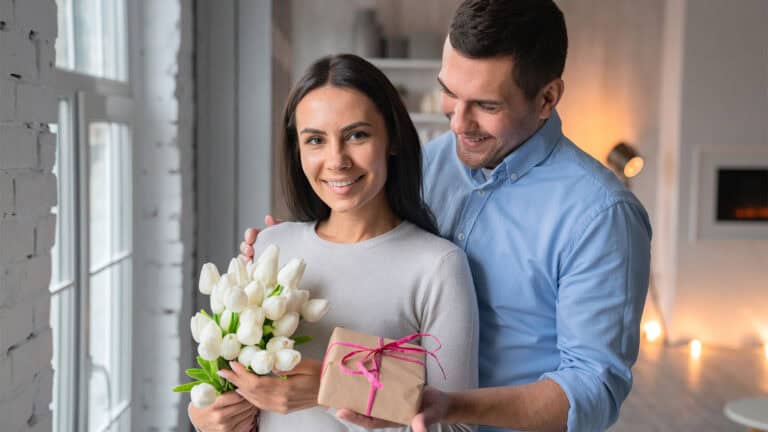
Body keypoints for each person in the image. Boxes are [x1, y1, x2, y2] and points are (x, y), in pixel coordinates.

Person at [242, 1, 652, 431]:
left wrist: (450, 406)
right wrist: (292, 248)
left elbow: (592, 389)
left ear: (547, 98)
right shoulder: (427, 164)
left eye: (486, 105)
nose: (458, 123)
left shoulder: (601, 215)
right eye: (450, 93)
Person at [191, 54, 479, 432]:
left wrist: (331, 389)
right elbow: (226, 385)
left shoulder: (438, 266)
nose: (336, 160)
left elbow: (457, 427)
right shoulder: (269, 249)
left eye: (357, 135)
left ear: (392, 138)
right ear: (298, 149)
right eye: (315, 140)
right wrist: (207, 417)